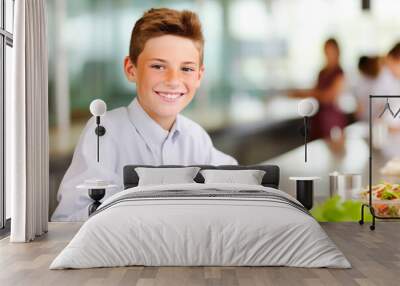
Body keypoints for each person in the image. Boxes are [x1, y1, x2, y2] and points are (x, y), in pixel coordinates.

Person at [52, 8, 237, 221]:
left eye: (186, 69)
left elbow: (235, 181)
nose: (173, 80)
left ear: (199, 76)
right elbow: (68, 219)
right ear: (131, 69)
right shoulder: (104, 132)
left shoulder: (196, 137)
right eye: (158, 66)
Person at [310, 66, 348, 153]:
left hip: (333, 118)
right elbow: (316, 91)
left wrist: (315, 94)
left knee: (336, 147)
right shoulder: (322, 72)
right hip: (319, 117)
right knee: (319, 150)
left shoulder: (339, 72)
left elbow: (328, 96)